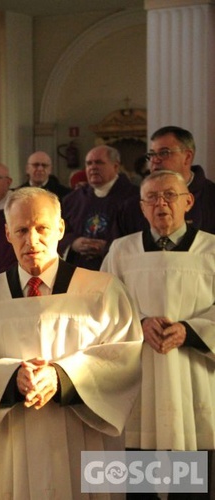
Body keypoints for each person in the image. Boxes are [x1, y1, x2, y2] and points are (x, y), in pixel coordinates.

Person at [0, 187, 142, 499]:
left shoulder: (102, 290)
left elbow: (124, 357)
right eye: (21, 230)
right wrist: (10, 377)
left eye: (42, 228)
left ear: (61, 229)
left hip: (86, 437)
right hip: (14, 439)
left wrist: (62, 377)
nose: (32, 240)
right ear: (7, 233)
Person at [101, 170, 215, 496]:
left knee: (191, 486)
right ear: (141, 206)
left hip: (195, 377)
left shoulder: (211, 251)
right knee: (139, 485)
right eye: (151, 197)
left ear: (188, 202)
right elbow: (102, 307)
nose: (160, 203)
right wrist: (138, 322)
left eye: (169, 195)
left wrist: (190, 331)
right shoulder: (121, 252)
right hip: (139, 381)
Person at [119, 126, 215, 236]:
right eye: (151, 154)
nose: (155, 160)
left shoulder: (211, 197)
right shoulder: (132, 205)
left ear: (187, 157)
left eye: (164, 153)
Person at [59, 144, 137, 270]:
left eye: (99, 163)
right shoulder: (73, 199)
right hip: (79, 270)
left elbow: (138, 236)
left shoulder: (134, 198)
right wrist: (73, 243)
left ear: (116, 166)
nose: (93, 167)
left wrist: (109, 248)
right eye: (89, 163)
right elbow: (59, 229)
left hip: (118, 268)